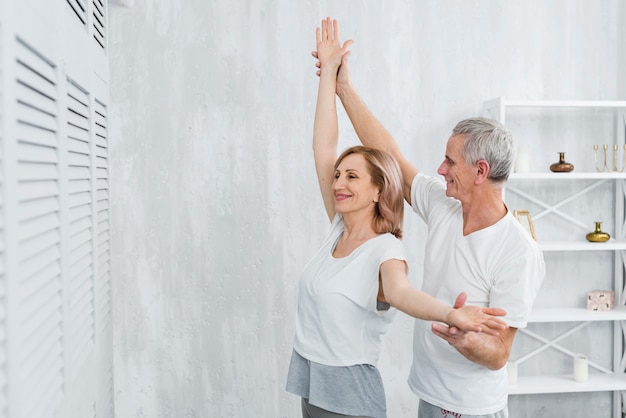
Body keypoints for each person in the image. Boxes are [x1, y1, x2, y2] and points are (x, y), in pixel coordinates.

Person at [313, 18, 546, 418]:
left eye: (450, 161)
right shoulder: (444, 204)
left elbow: (499, 354)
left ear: (480, 171)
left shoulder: (517, 252)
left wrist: (464, 337)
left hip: (469, 410)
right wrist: (343, 88)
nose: (439, 169)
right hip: (428, 396)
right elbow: (391, 156)